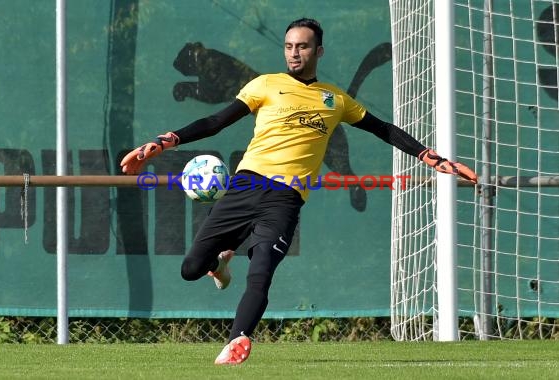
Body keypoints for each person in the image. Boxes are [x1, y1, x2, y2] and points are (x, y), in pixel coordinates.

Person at [120, 18, 477, 365]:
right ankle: (219, 262)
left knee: (261, 270)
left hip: (284, 199)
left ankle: (237, 340)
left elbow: (382, 128)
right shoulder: (265, 85)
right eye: (289, 46)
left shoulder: (334, 99)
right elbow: (216, 121)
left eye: (302, 46)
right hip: (245, 186)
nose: (294, 53)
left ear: (318, 51)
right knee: (191, 268)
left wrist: (431, 157)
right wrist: (163, 141)